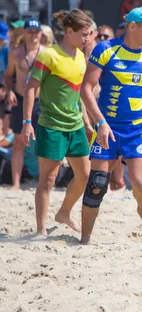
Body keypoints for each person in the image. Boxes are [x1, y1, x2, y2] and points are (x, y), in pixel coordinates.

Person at [80, 7, 142, 244]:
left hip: (137, 130)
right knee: (97, 185)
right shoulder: (106, 49)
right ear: (133, 26)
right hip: (108, 128)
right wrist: (100, 123)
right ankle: (84, 240)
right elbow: (86, 88)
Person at [21, 9, 93, 235]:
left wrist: (88, 122)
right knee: (48, 179)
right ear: (69, 31)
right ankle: (41, 230)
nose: (88, 39)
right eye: (84, 34)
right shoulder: (48, 55)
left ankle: (63, 212)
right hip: (51, 125)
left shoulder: (81, 57)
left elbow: (78, 94)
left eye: (90, 34)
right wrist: (26, 121)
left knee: (84, 177)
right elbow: (31, 88)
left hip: (76, 126)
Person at [4, 18, 45, 190]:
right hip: (20, 99)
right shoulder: (15, 53)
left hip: (40, 101)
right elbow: (8, 76)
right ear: (25, 33)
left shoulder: (46, 53)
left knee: (43, 142)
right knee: (19, 142)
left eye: (36, 32)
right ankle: (15, 183)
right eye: (30, 31)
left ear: (41, 34)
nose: (33, 35)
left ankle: (43, 181)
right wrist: (9, 91)